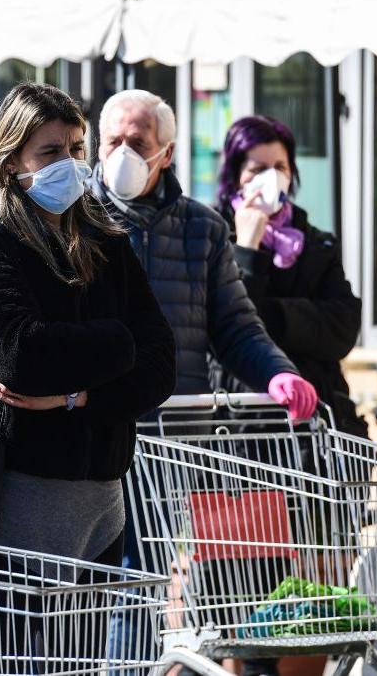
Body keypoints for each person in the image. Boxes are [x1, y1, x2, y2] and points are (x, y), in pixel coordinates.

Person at [0, 82, 176, 673]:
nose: (70, 164)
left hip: (102, 498)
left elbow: (160, 367)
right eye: (50, 152)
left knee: (82, 665)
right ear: (11, 161)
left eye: (76, 149)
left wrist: (76, 396)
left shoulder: (102, 238)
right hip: (17, 497)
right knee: (13, 666)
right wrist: (118, 342)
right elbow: (21, 357)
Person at [86, 89, 318, 671]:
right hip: (85, 430)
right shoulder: (73, 220)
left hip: (166, 440)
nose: (121, 153)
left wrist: (279, 374)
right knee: (82, 588)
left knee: (141, 582)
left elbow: (235, 327)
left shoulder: (202, 230)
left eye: (136, 143)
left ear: (165, 153)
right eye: (111, 142)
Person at [214, 115, 367, 438]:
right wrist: (247, 248)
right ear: (236, 176)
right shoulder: (211, 235)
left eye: (279, 167)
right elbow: (229, 326)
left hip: (318, 419)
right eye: (258, 169)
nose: (271, 178)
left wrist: (271, 316)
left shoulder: (316, 242)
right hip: (243, 423)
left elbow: (343, 327)